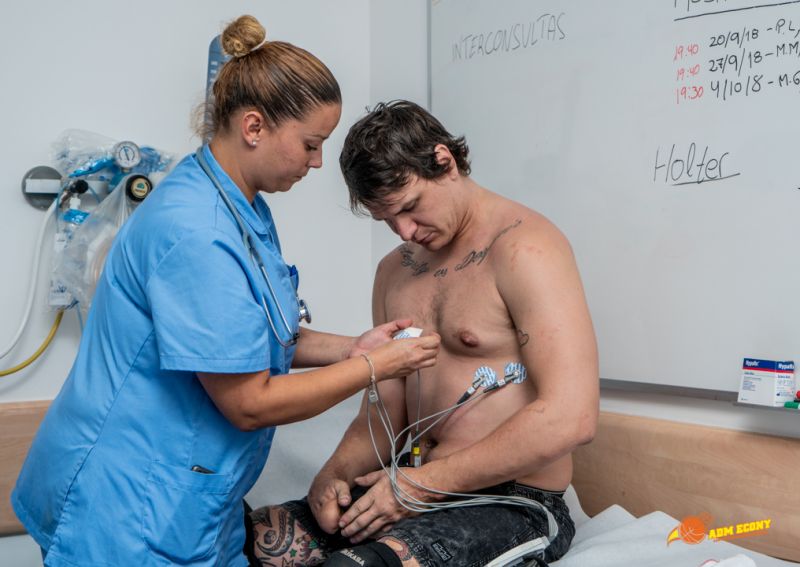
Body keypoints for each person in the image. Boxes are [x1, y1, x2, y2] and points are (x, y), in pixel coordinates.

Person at [11, 20, 439, 567]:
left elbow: (253, 335)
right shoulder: (196, 231)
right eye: (311, 144)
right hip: (124, 505)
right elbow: (249, 402)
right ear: (254, 126)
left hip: (187, 498)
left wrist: (352, 348)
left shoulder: (241, 207)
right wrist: (376, 367)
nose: (316, 162)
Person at [249, 100, 599, 567]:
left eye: (411, 208)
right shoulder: (394, 271)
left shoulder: (526, 249)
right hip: (408, 485)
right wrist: (334, 474)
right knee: (253, 541)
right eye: (387, 220)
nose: (405, 232)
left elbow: (572, 417)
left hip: (510, 501)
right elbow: (384, 414)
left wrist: (420, 485)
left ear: (444, 161)